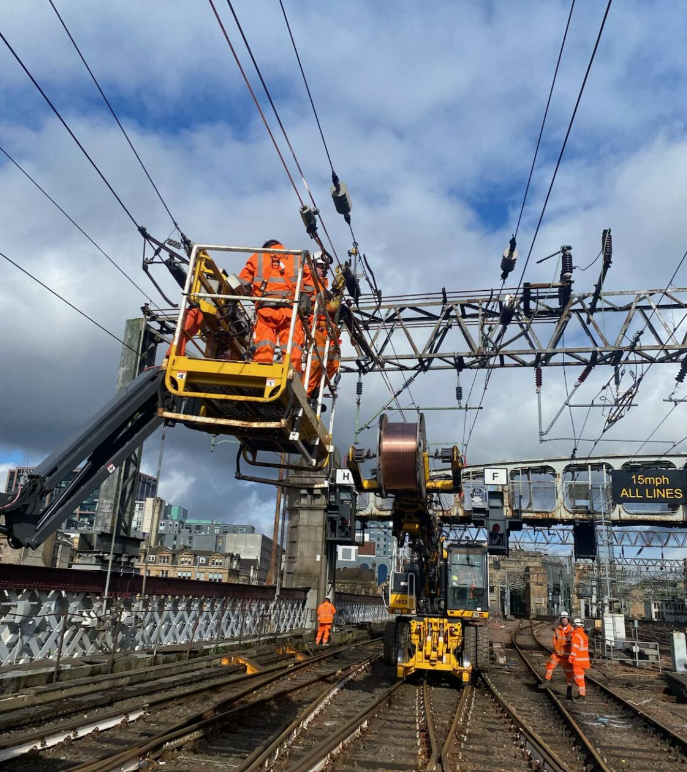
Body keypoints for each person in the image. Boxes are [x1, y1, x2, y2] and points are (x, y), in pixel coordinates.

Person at [238, 240, 313, 374]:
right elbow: (310, 289)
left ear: (266, 248)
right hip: (290, 311)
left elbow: (242, 283)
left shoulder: (258, 257)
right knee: (292, 349)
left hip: (264, 310)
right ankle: (291, 377)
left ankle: (261, 375)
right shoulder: (297, 259)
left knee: (264, 347)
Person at [306, 253, 341, 403]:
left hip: (327, 332)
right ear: (312, 265)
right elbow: (319, 306)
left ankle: (315, 392)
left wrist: (337, 294)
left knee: (333, 362)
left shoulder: (322, 286)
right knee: (315, 362)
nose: (323, 270)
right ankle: (305, 393)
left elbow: (328, 307)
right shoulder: (307, 280)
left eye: (325, 268)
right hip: (314, 327)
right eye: (321, 266)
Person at [538, 611, 574, 699]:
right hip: (557, 654)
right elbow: (554, 638)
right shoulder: (558, 629)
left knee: (569, 673)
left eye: (565, 619)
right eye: (563, 619)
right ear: (561, 619)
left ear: (568, 619)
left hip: (566, 655)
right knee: (549, 665)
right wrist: (556, 646)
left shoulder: (572, 630)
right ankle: (547, 681)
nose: (564, 620)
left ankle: (569, 691)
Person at [569, 618, 590, 701]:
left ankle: (582, 695)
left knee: (579, 678)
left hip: (577, 661)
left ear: (576, 626)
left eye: (574, 626)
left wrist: (571, 658)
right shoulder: (584, 636)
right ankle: (581, 694)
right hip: (584, 661)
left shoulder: (576, 636)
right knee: (581, 677)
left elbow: (574, 649)